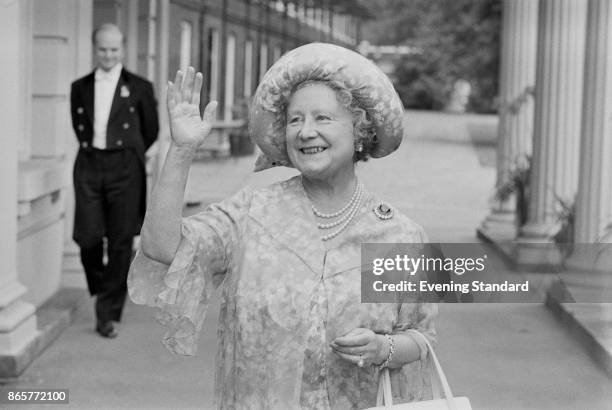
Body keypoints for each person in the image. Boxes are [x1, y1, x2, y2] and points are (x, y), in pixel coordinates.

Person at [128, 43, 436, 408]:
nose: (306, 132)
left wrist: (382, 347)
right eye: (295, 120)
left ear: (360, 131)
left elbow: (420, 338)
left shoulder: (396, 234)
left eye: (323, 118)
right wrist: (181, 150)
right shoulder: (251, 213)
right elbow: (162, 248)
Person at [70, 23, 159, 338]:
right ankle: (103, 284)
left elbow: (151, 130)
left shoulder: (140, 87)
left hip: (125, 168)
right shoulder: (79, 87)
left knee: (121, 241)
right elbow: (79, 126)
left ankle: (106, 313)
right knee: (88, 236)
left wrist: (129, 156)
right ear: (95, 49)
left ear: (122, 49)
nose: (108, 54)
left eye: (114, 49)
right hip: (90, 165)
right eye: (103, 49)